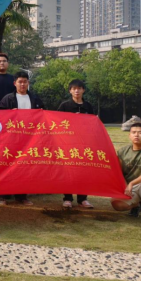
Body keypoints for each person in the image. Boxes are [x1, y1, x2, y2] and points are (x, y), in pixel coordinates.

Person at [0, 70, 44, 205]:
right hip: (11, 139)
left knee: (25, 167)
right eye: (20, 82)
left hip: (29, 139)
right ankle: (2, 195)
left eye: (25, 82)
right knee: (7, 165)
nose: (22, 84)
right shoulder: (8, 99)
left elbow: (43, 115)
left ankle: (22, 196)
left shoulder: (35, 99)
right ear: (15, 83)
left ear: (28, 83)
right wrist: (9, 114)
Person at [58, 79, 95, 209]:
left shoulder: (88, 106)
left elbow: (93, 124)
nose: (77, 91)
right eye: (74, 89)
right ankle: (67, 198)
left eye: (79, 88)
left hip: (84, 143)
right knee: (68, 171)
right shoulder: (65, 106)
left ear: (83, 90)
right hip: (68, 143)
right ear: (70, 91)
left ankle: (82, 199)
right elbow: (57, 123)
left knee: (83, 171)